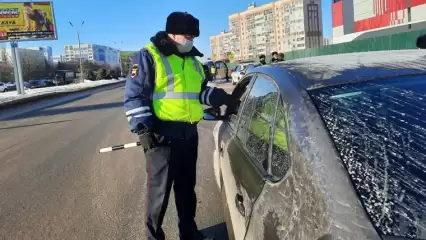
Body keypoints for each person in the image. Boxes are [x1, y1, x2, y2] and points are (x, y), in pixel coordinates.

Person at [123, 11, 239, 240]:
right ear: (172, 33)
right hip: (162, 137)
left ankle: (189, 232)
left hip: (189, 135)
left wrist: (219, 97)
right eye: (188, 36)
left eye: (194, 37)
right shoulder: (149, 56)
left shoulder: (194, 63)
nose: (191, 41)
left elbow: (198, 94)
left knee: (187, 190)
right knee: (158, 195)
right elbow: (135, 96)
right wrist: (143, 128)